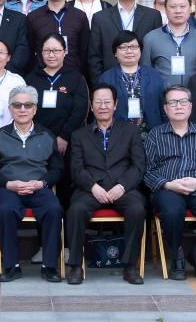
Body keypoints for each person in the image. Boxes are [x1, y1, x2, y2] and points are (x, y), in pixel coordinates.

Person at [65, 84, 147, 285]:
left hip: (123, 188)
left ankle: (130, 265)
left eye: (107, 102)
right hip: (91, 189)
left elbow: (138, 166)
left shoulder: (131, 131)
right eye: (98, 102)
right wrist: (93, 187)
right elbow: (76, 168)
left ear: (115, 104)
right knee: (75, 210)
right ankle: (76, 266)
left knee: (137, 209)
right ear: (91, 106)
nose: (103, 106)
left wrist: (122, 186)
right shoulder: (79, 135)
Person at [145, 86, 196, 281]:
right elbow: (147, 171)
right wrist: (168, 184)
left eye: (182, 102)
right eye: (172, 103)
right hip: (168, 189)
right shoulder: (155, 136)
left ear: (190, 106)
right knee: (172, 212)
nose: (178, 106)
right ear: (165, 108)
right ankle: (177, 255)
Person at [0, 85, 64, 283]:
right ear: (10, 109)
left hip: (38, 187)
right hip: (9, 188)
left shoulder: (46, 135)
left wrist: (42, 183)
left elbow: (57, 169)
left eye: (27, 105)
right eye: (17, 105)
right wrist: (8, 184)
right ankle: (11, 266)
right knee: (5, 210)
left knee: (54, 209)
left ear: (35, 109)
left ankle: (49, 266)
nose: (22, 109)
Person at [24, 33, 89, 212]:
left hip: (67, 142)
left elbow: (80, 110)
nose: (51, 55)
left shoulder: (75, 77)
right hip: (37, 140)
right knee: (40, 186)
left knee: (65, 185)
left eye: (56, 50)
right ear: (41, 53)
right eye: (47, 51)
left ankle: (66, 226)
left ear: (64, 52)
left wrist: (64, 136)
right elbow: (26, 110)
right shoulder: (31, 78)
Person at [88, 0, 164, 81]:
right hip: (111, 80)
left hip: (146, 80)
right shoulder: (100, 18)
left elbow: (158, 52)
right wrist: (100, 84)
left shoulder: (153, 16)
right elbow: (94, 57)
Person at [27, 0, 90, 75]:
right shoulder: (34, 17)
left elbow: (85, 51)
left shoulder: (79, 16)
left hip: (73, 76)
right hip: (42, 76)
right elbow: (30, 50)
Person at [97, 31, 164, 131]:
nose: (129, 51)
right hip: (118, 134)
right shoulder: (106, 78)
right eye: (123, 47)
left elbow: (163, 107)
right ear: (115, 52)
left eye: (133, 47)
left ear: (140, 50)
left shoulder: (154, 75)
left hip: (151, 133)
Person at [142, 0, 196, 87]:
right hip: (162, 95)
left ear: (190, 9)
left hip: (193, 94)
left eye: (182, 6)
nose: (178, 11)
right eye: (173, 7)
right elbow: (146, 72)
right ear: (165, 9)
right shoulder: (151, 38)